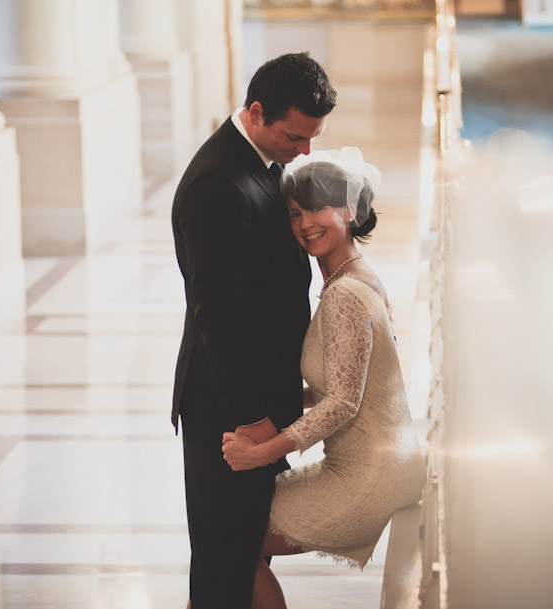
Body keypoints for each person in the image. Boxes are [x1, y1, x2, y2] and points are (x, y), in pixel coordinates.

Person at [221, 148, 427, 609]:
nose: (305, 222)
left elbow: (343, 404)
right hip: (383, 461)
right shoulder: (354, 277)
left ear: (349, 211)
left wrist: (262, 453)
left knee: (230, 540)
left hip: (367, 475)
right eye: (295, 213)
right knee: (234, 534)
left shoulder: (345, 295)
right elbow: (344, 383)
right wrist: (270, 404)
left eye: (317, 208)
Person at [171, 53, 337, 608]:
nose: (305, 150)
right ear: (257, 111)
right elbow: (217, 318)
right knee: (227, 561)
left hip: (257, 399)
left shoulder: (260, 160)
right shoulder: (216, 184)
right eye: (295, 135)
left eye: (312, 137)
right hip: (228, 410)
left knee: (244, 553)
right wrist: (253, 420)